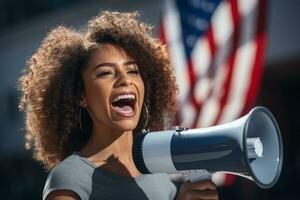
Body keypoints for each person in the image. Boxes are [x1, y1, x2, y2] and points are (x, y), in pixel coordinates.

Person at [19, 11, 219, 200]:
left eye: (132, 71)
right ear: (81, 96)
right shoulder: (69, 178)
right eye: (106, 72)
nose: (125, 79)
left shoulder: (158, 172)